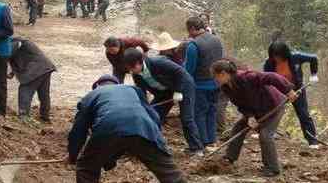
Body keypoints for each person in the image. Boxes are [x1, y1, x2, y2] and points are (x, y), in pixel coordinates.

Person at [68, 75, 187, 183]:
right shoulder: (132, 89)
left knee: (86, 168)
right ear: (117, 84)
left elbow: (78, 130)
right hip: (143, 128)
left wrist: (73, 156)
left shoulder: (91, 96)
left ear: (97, 86)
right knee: (169, 173)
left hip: (109, 128)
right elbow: (154, 116)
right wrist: (157, 140)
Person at [211, 60, 298, 177]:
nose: (215, 80)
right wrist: (250, 117)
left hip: (274, 106)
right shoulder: (226, 88)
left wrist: (288, 90)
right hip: (256, 111)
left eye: (216, 77)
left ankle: (272, 168)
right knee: (238, 127)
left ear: (223, 73)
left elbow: (272, 76)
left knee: (265, 135)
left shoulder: (247, 77)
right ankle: (230, 157)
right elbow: (240, 104)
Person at [124, 48, 205, 156]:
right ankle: (152, 145)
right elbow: (142, 92)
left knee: (186, 118)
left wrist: (178, 91)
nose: (131, 71)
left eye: (132, 67)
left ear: (139, 62)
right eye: (129, 68)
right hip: (164, 91)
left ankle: (197, 148)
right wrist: (143, 105)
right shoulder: (136, 74)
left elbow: (180, 72)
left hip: (184, 86)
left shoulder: (158, 62)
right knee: (152, 115)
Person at [263, 41, 320, 149]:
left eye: (279, 55)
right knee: (270, 112)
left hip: (297, 90)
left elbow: (313, 58)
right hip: (278, 91)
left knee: (303, 114)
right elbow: (266, 78)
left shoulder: (295, 57)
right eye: (274, 55)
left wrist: (313, 74)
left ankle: (312, 140)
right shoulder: (269, 63)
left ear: (285, 53)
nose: (277, 58)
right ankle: (266, 132)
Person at [0, 37, 55, 123]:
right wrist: (11, 73)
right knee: (43, 94)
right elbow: (19, 57)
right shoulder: (16, 42)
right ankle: (45, 116)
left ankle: (24, 116)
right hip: (46, 67)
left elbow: (7, 54)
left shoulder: (13, 42)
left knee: (25, 90)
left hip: (35, 69)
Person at [184, 17, 223, 148]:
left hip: (200, 85)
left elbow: (189, 69)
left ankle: (203, 141)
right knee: (212, 111)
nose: (188, 34)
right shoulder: (217, 40)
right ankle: (212, 140)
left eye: (189, 31)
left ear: (193, 29)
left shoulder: (193, 45)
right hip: (217, 83)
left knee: (199, 114)